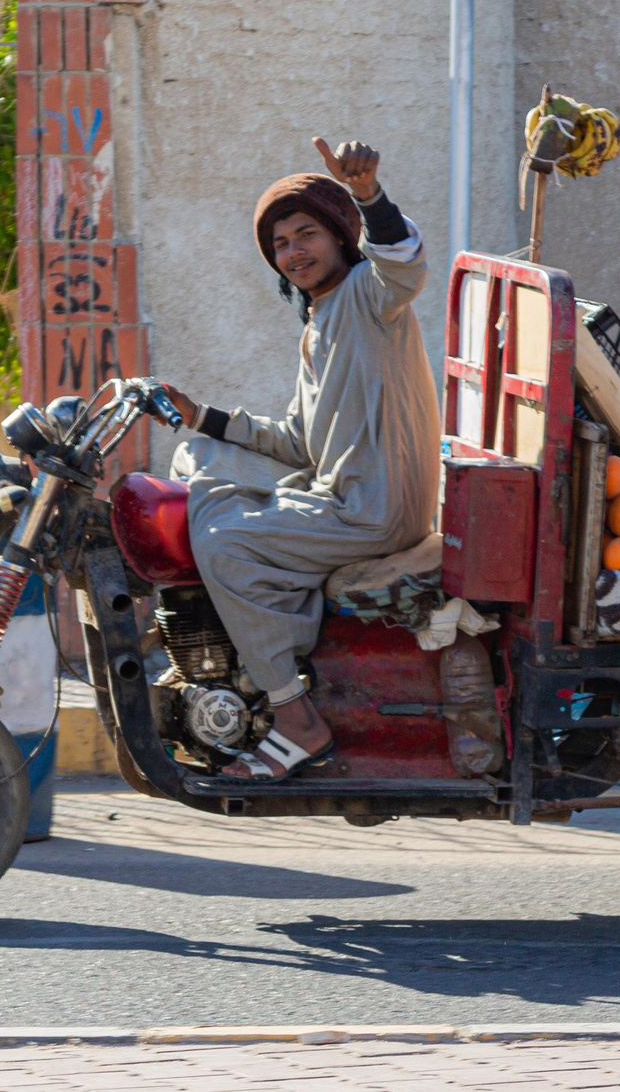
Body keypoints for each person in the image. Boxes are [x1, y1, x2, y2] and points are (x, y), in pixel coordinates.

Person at [155, 137, 440, 780]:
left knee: (225, 542)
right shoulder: (322, 322)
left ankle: (294, 715)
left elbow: (406, 266)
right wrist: (200, 417)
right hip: (344, 491)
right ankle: (227, 649)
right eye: (280, 245)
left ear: (341, 236)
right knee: (198, 459)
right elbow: (298, 440)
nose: (294, 253)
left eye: (306, 234)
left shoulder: (369, 295)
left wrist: (368, 194)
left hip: (374, 509)